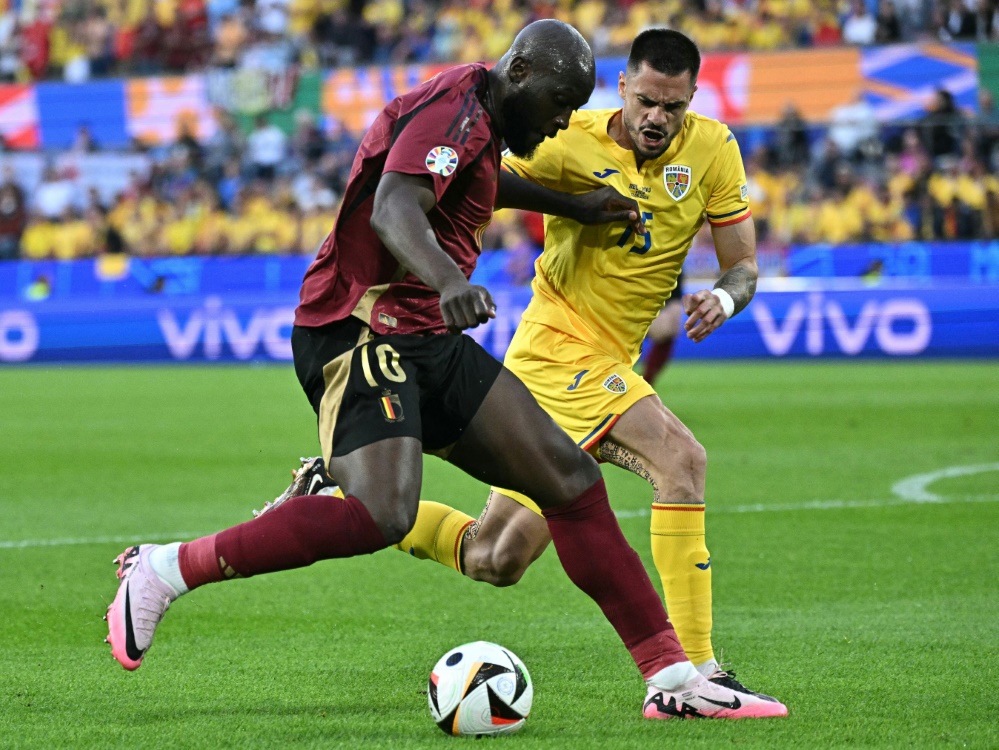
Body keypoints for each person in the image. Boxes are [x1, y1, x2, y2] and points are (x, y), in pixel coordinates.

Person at [104, 20, 784, 721]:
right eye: (556, 103)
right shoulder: (452, 109)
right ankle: (164, 569)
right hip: (359, 330)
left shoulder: (487, 122)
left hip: (422, 332)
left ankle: (671, 677)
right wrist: (446, 280)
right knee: (384, 513)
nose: (558, 124)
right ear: (518, 71)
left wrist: (574, 205)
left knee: (566, 485)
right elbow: (394, 208)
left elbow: (491, 184)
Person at [383, 28, 784, 705]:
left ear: (690, 101)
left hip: (604, 361)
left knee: (495, 557)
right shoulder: (570, 142)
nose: (657, 118)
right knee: (679, 460)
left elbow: (742, 265)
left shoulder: (713, 149)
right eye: (647, 101)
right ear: (624, 87)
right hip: (558, 347)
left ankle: (338, 495)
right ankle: (694, 675)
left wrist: (721, 295)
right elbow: (485, 178)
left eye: (673, 107)